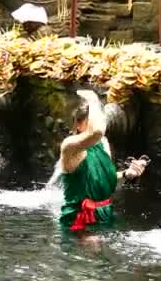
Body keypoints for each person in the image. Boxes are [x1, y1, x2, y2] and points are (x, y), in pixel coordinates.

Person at [59, 90, 148, 232]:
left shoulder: (103, 143)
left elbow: (102, 179)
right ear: (78, 125)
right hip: (80, 219)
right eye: (92, 122)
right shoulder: (70, 147)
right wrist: (94, 100)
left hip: (105, 213)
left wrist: (127, 173)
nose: (100, 125)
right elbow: (96, 132)